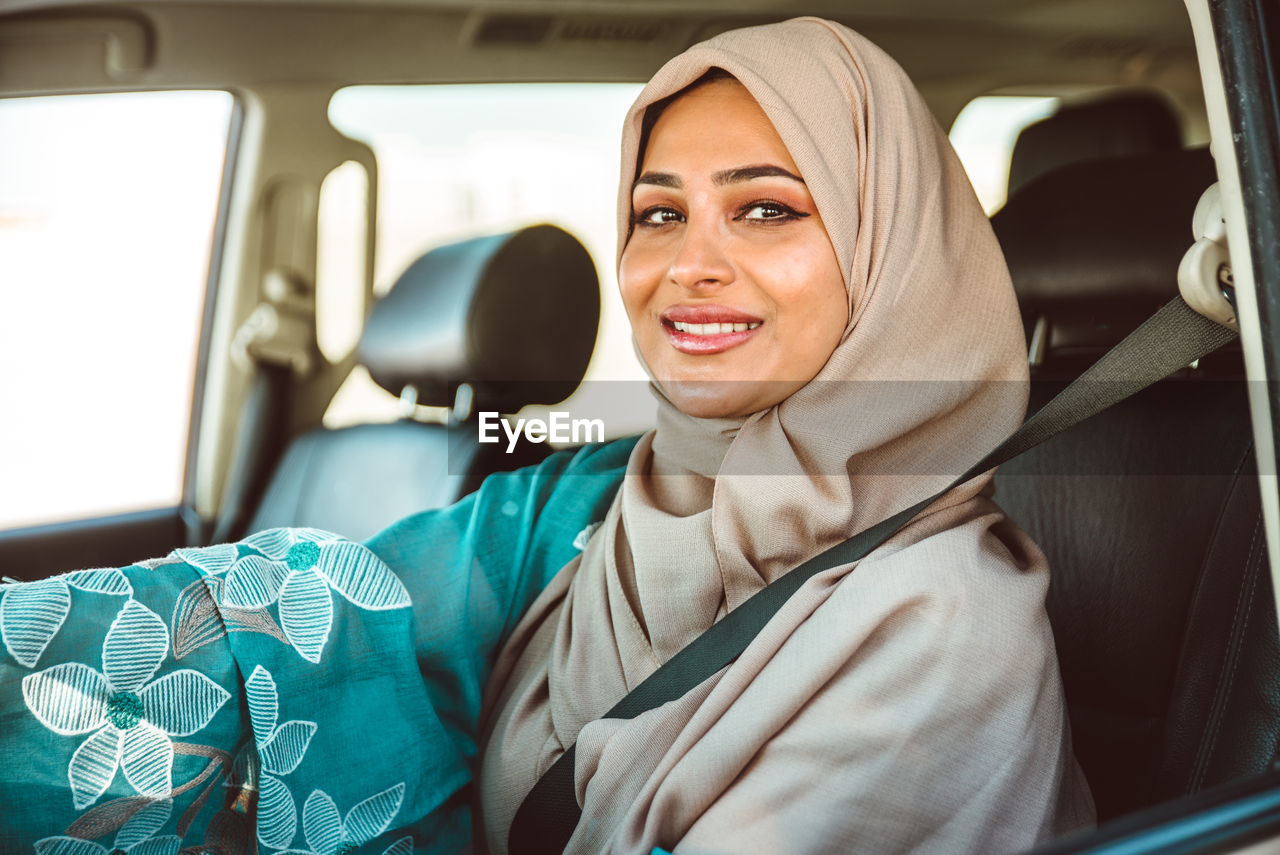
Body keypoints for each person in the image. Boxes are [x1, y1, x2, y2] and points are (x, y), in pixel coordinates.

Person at [0, 16, 1093, 855]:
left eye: (765, 209)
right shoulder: (589, 501)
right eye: (658, 213)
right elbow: (288, 620)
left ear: (887, 259)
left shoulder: (944, 624)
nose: (686, 266)